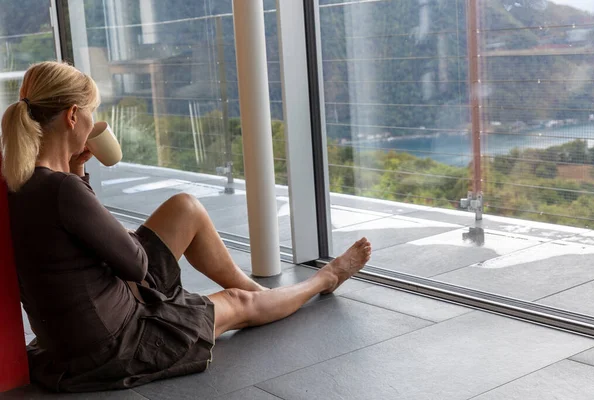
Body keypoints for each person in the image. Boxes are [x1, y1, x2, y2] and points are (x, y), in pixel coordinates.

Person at [0, 61, 371, 392]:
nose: (93, 122)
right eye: (92, 112)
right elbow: (135, 266)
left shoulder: (20, 180)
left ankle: (261, 295)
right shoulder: (62, 188)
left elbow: (74, 239)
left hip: (78, 327)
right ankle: (323, 278)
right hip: (112, 343)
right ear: (72, 116)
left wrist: (77, 171)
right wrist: (80, 179)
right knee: (236, 303)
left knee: (184, 207)